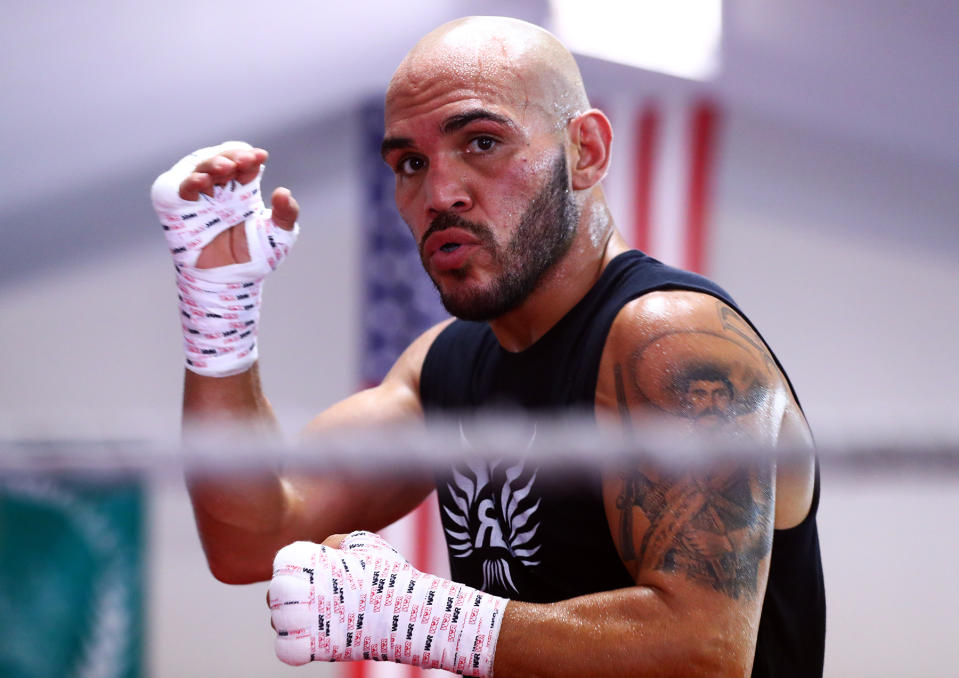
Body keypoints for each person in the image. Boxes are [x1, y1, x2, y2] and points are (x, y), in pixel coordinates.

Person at [151, 16, 824, 678]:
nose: (439, 194)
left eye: (480, 142)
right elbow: (249, 538)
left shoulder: (667, 341)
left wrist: (423, 619)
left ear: (584, 151)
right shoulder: (441, 367)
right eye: (409, 163)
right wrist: (220, 314)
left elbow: (703, 653)